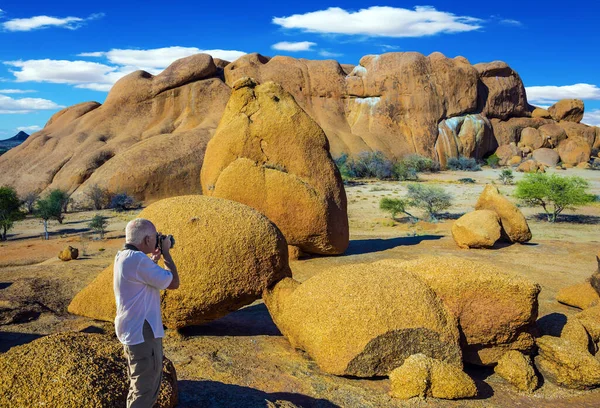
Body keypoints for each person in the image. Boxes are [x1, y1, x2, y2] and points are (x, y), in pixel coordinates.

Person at [114, 218, 180, 408]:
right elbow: (173, 282)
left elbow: (138, 280)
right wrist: (166, 254)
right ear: (146, 240)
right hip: (142, 332)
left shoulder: (123, 256)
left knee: (139, 385)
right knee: (145, 389)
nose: (157, 240)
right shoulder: (137, 260)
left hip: (133, 327)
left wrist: (153, 260)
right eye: (155, 237)